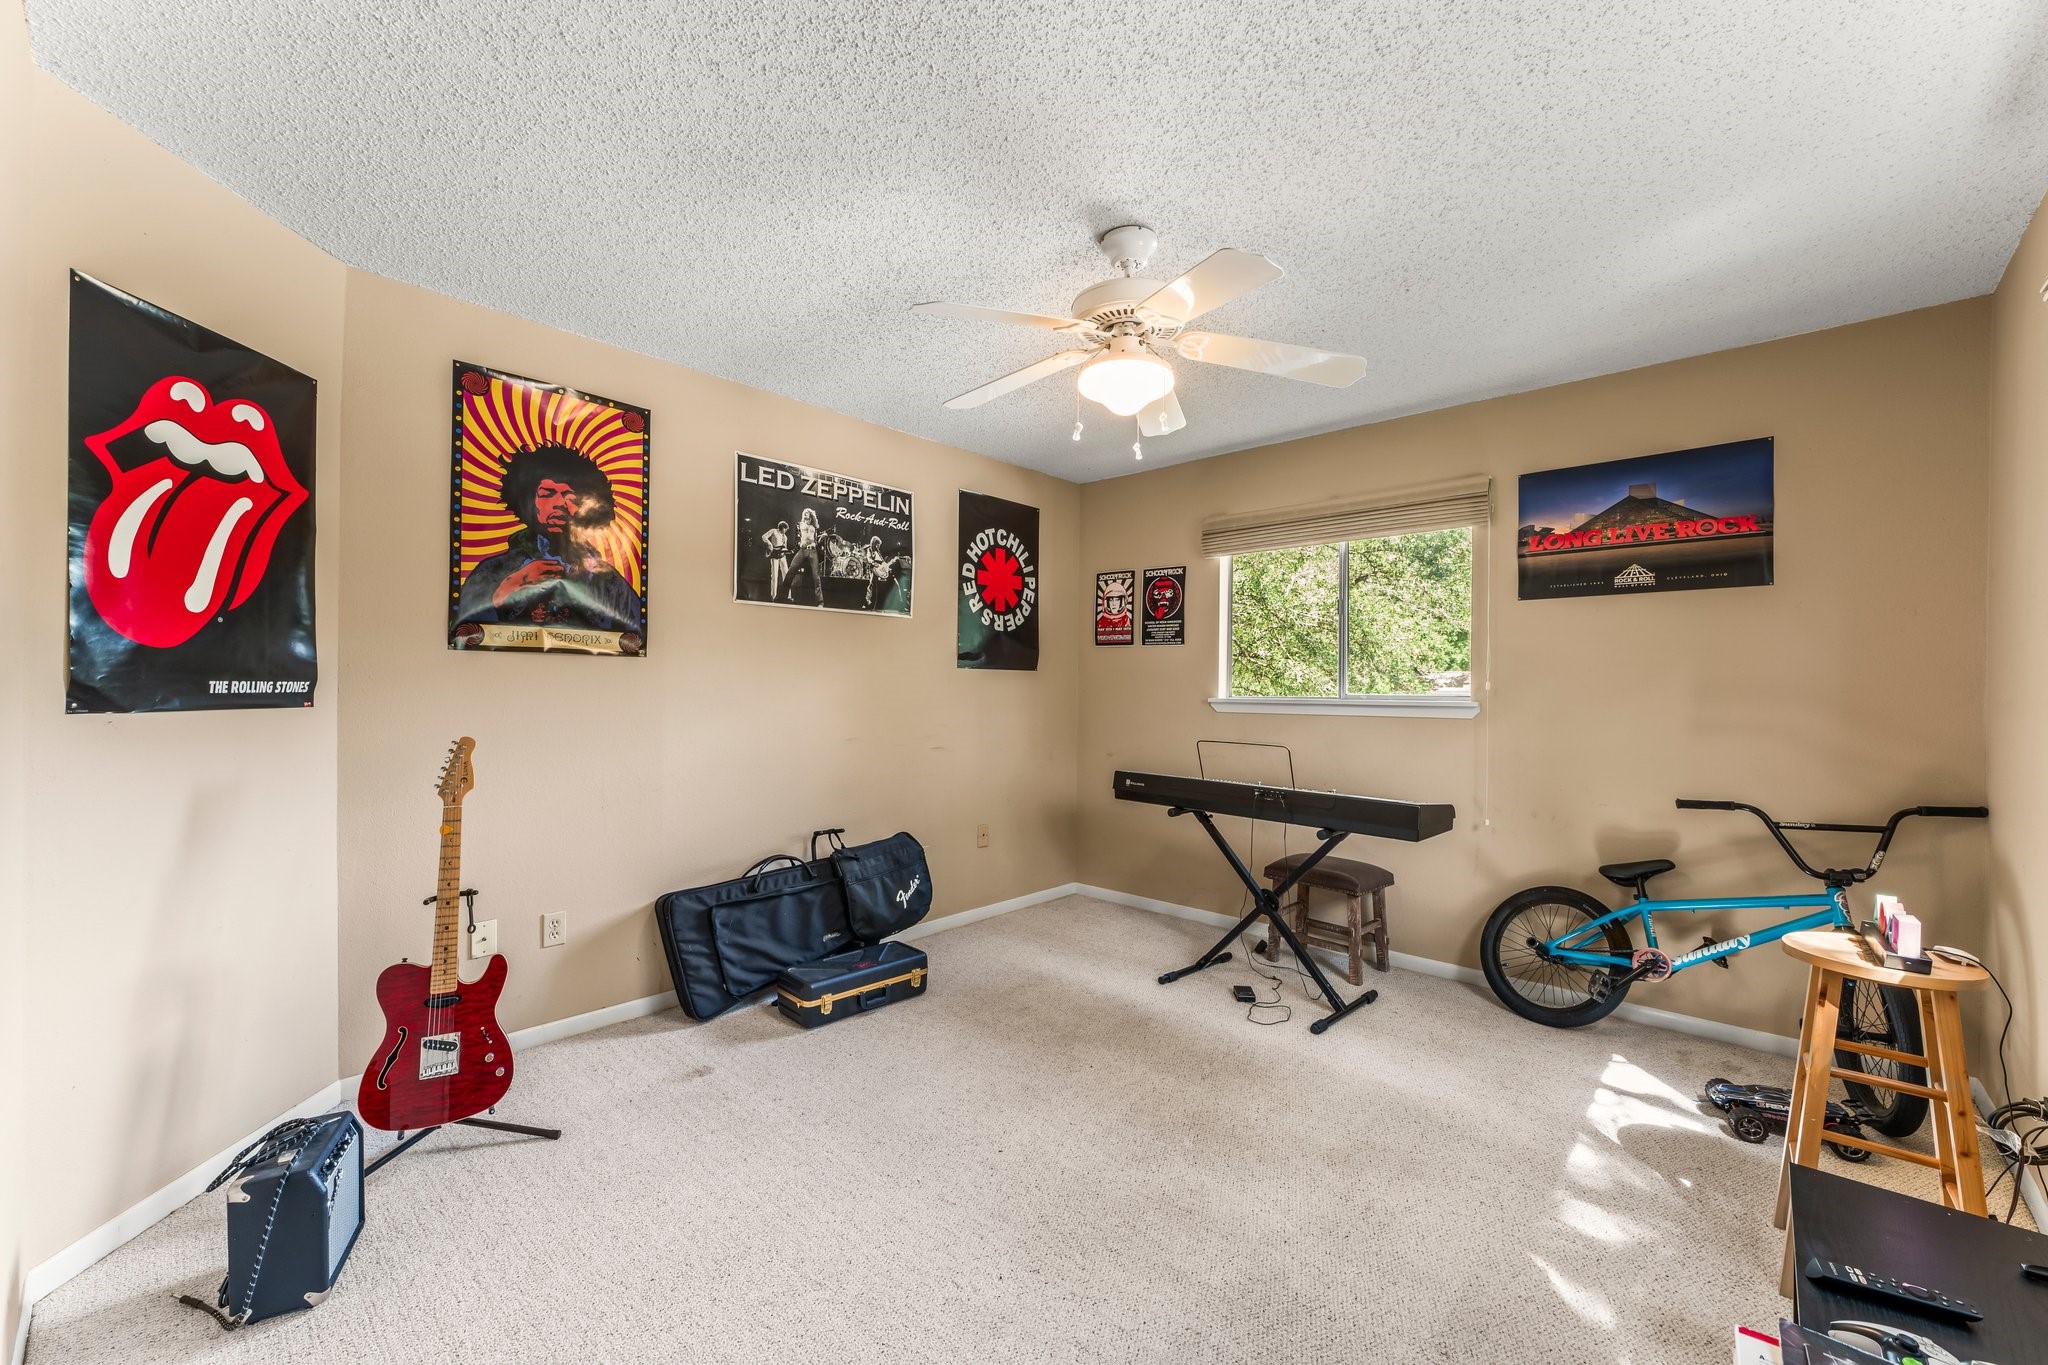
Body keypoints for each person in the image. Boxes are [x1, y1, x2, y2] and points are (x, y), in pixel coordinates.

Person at [456, 444, 642, 634]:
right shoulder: (494, 569)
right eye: (547, 494)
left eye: (571, 497)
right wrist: (505, 591)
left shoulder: (608, 580)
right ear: (527, 501)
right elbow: (464, 630)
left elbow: (633, 638)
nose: (559, 504)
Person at [783, 507, 825, 606]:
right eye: (804, 512)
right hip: (802, 550)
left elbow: (816, 541)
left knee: (816, 577)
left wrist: (822, 538)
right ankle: (781, 597)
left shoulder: (815, 527)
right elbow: (797, 538)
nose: (805, 514)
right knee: (790, 572)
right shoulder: (799, 524)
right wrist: (799, 544)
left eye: (807, 513)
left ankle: (820, 601)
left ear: (810, 516)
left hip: (813, 551)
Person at [761, 520, 791, 600]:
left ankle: (788, 595)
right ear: (781, 527)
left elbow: (785, 547)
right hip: (774, 555)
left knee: (786, 575)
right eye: (785, 529)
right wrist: (770, 544)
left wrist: (786, 551)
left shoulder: (785, 537)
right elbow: (764, 536)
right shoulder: (773, 531)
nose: (785, 531)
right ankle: (773, 596)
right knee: (774, 575)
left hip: (782, 556)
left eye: (786, 529)